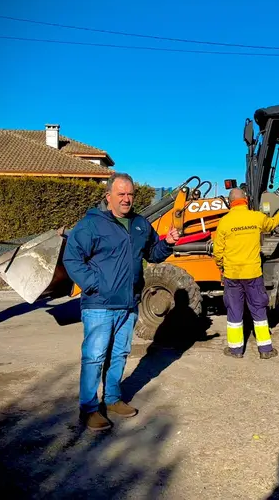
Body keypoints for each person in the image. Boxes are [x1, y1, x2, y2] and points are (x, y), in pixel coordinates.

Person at [62, 172, 180, 431]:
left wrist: (168, 243)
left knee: (120, 354)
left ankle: (113, 398)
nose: (126, 199)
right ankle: (89, 408)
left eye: (130, 194)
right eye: (121, 194)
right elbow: (72, 259)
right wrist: (94, 284)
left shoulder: (139, 224)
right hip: (99, 304)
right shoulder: (91, 225)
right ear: (108, 196)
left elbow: (153, 253)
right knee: (94, 356)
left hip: (128, 303)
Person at [213, 188, 279, 359]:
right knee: (259, 309)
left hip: (232, 275)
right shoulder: (256, 217)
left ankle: (236, 350)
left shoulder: (224, 221)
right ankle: (265, 349)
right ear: (245, 200)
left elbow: (217, 251)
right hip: (253, 273)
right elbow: (272, 223)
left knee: (234, 311)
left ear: (230, 202)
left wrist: (222, 266)